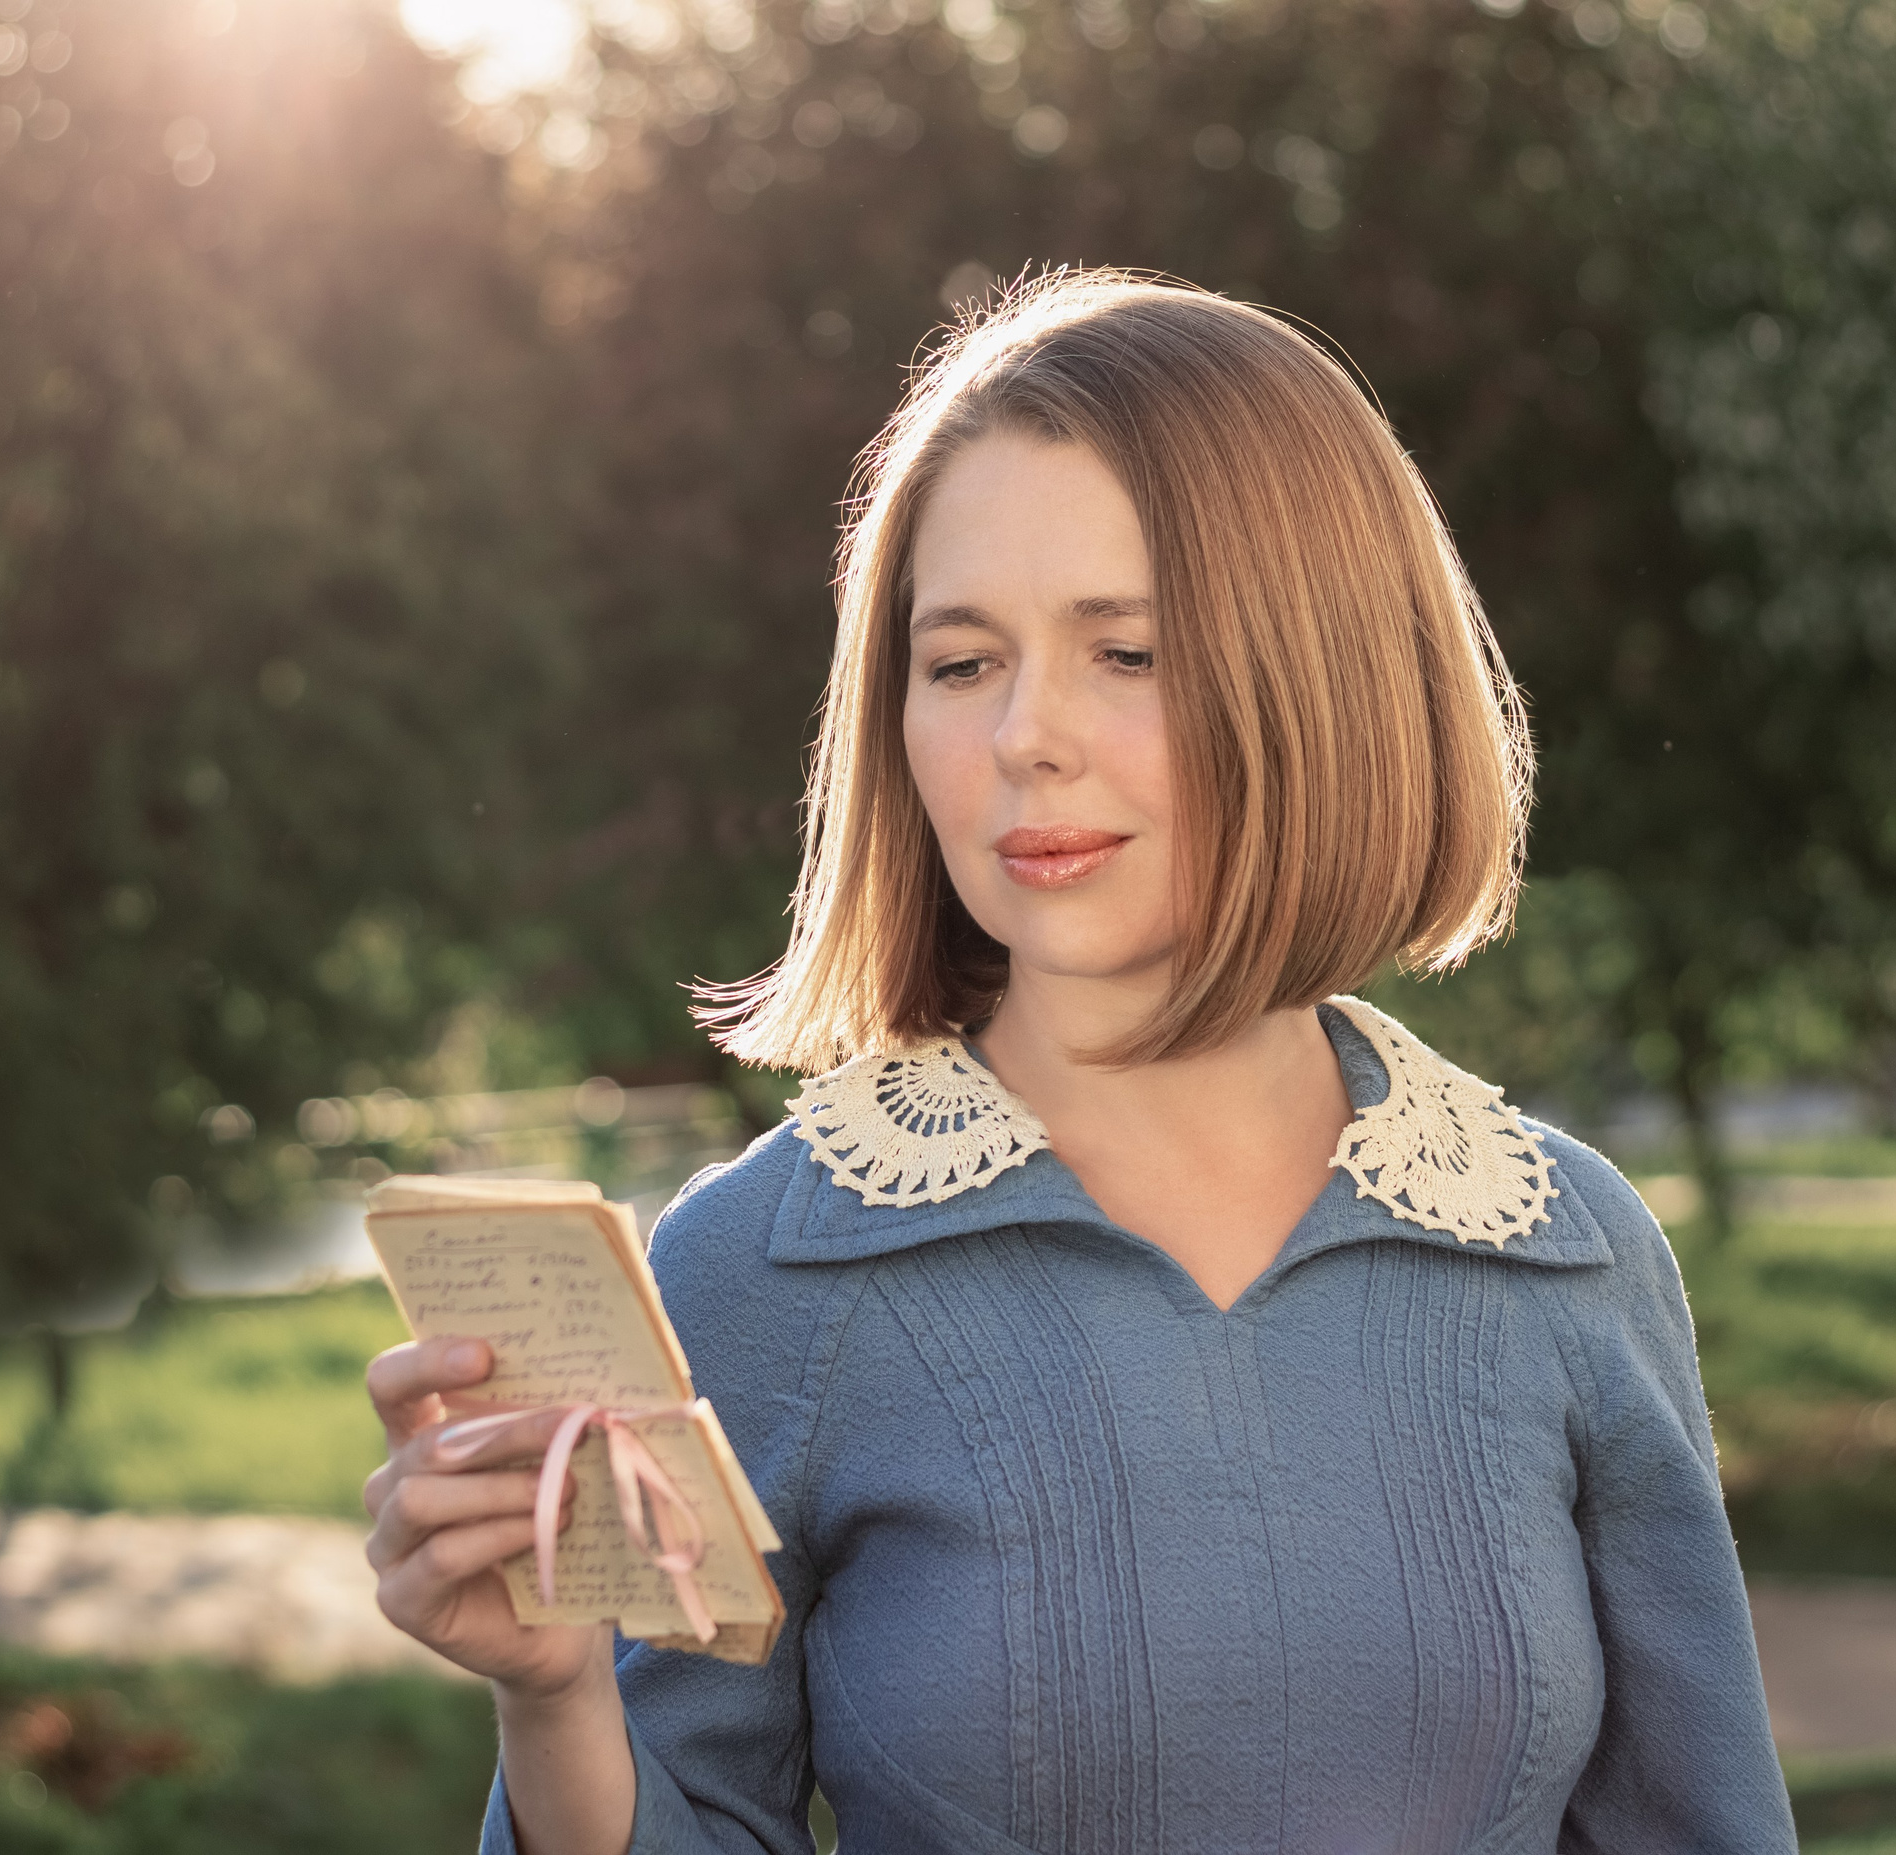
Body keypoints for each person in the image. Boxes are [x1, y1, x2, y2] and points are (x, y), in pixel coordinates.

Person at [360, 271, 1799, 1855]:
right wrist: (555, 1702)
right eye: (962, 662)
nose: (1026, 736)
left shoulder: (1567, 1259)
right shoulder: (761, 1275)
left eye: (1126, 652)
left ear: (1322, 684)